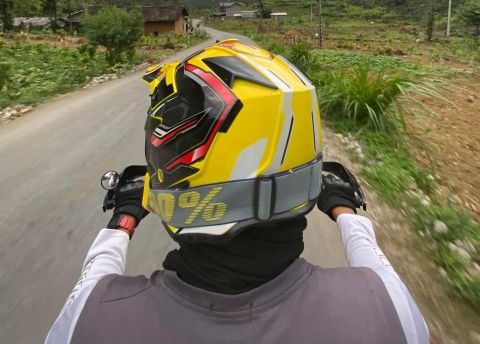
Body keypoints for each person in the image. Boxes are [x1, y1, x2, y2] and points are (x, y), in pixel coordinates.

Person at [45, 39, 429, 344]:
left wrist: (123, 220)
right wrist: (343, 209)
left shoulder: (90, 321)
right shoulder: (389, 310)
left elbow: (93, 278)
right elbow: (376, 263)